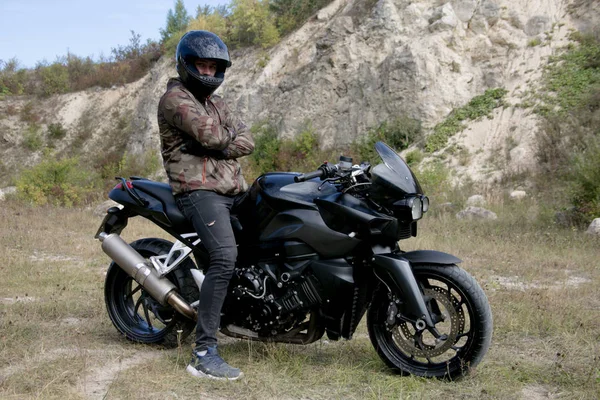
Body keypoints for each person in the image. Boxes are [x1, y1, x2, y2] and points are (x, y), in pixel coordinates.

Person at [157, 30, 254, 380]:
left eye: (214, 66)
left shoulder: (217, 103)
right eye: (202, 64)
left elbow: (247, 138)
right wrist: (220, 141)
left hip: (232, 188)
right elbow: (212, 135)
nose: (209, 72)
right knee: (224, 257)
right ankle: (204, 353)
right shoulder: (174, 99)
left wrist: (218, 143)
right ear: (187, 65)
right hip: (198, 191)